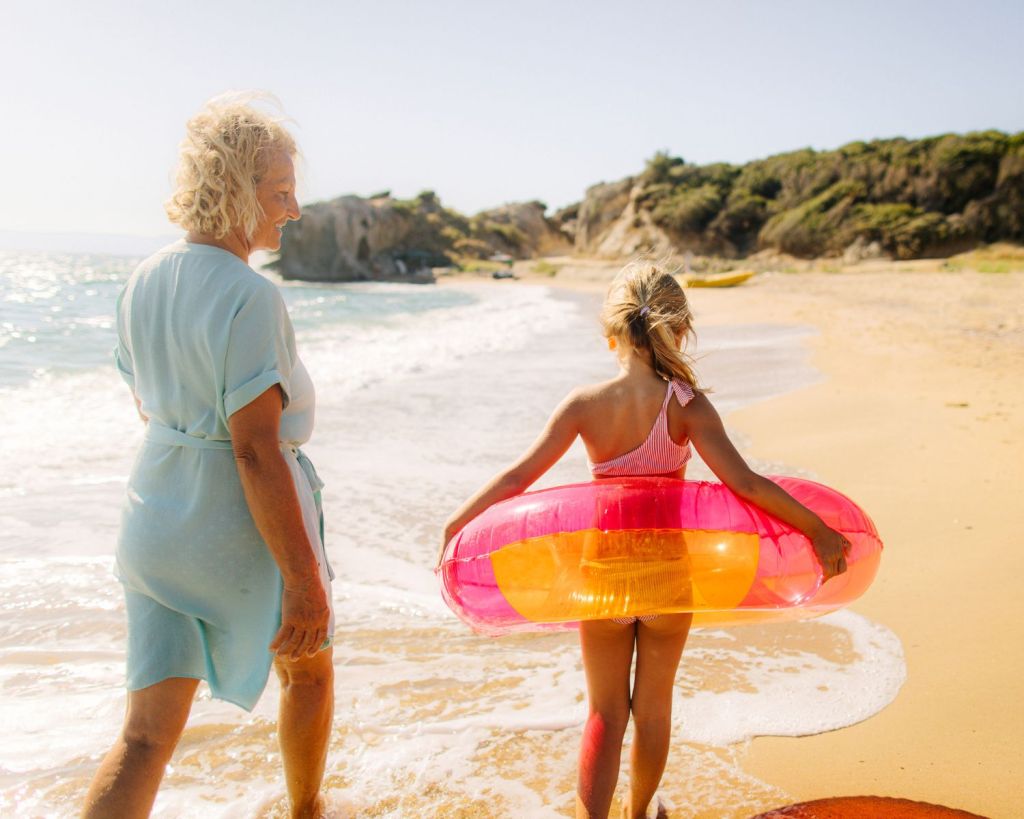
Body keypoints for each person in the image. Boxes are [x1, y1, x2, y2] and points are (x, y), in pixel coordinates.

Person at [442, 263, 850, 819]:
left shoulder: (584, 404)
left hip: (603, 574)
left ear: (610, 335)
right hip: (666, 578)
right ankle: (640, 815)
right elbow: (749, 484)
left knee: (604, 714)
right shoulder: (688, 406)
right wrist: (818, 530)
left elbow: (517, 480)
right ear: (676, 331)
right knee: (653, 712)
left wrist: (455, 526)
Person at [83, 95, 335, 819]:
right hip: (235, 527)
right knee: (307, 670)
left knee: (143, 738)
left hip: (154, 521)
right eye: (279, 192)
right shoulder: (250, 296)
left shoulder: (143, 280)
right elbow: (255, 450)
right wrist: (303, 579)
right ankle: (307, 809)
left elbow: (146, 404)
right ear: (234, 188)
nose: (292, 210)